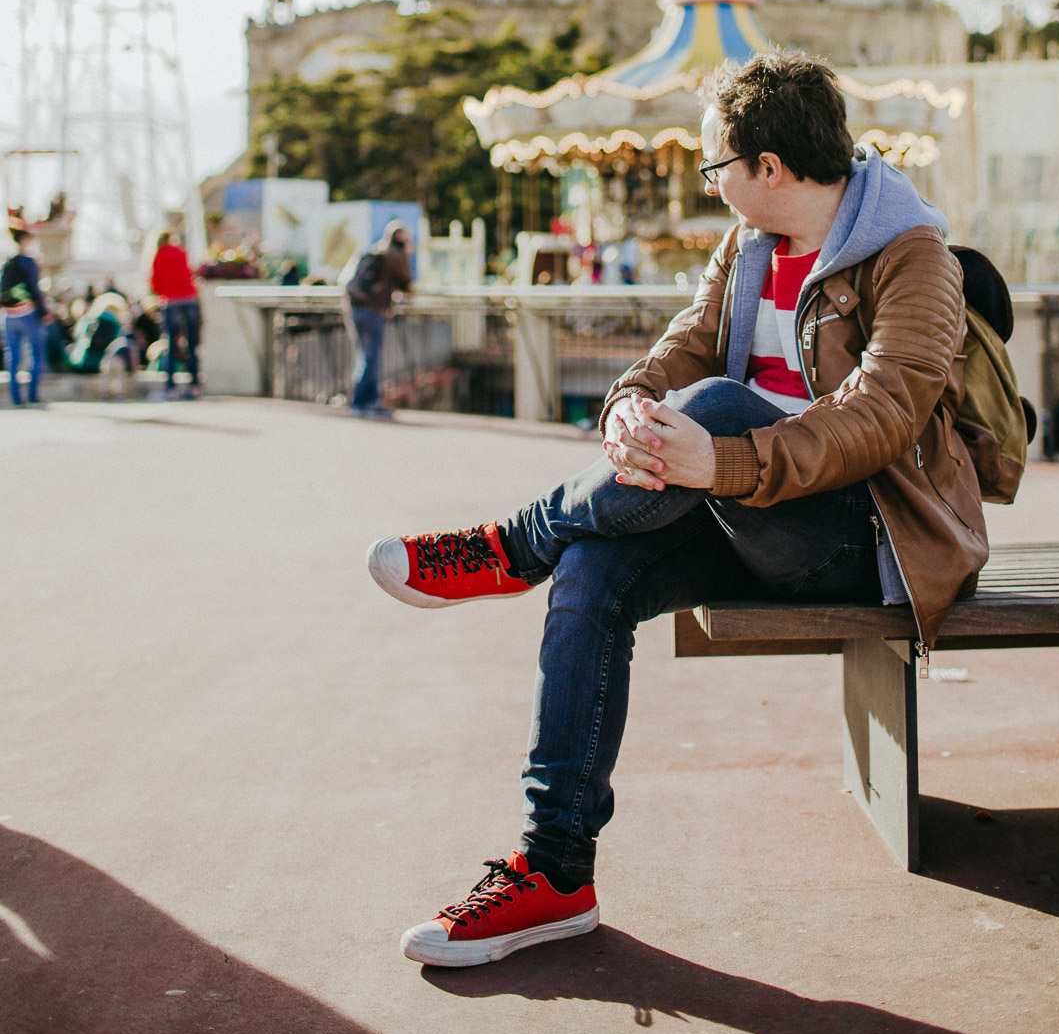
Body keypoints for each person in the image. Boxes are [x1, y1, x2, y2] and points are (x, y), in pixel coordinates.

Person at [367, 51, 989, 968]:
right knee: (593, 569)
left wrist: (721, 452)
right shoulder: (746, 249)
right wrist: (628, 402)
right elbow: (682, 348)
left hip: (861, 535)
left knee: (720, 407)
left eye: (715, 168)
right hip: (742, 509)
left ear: (767, 168)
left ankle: (513, 541)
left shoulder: (912, 258)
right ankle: (554, 872)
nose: (711, 186)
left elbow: (882, 417)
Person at [343, 221, 413, 417]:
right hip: (373, 310)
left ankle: (368, 401)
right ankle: (362, 403)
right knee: (371, 358)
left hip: (355, 309)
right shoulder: (394, 255)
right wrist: (407, 254)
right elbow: (406, 283)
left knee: (365, 357)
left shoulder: (375, 251)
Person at [149, 231, 201, 396]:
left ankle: (170, 387)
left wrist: (165, 292)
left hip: (171, 301)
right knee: (191, 345)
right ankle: (195, 385)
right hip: (190, 299)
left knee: (171, 343)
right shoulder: (181, 252)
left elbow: (155, 283)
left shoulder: (158, 257)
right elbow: (190, 273)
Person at [1, 228, 48, 406]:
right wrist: (43, 312)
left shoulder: (6, 263)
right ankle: (33, 394)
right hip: (28, 313)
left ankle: (15, 398)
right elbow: (35, 289)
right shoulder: (28, 262)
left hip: (8, 315)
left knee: (12, 358)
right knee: (36, 354)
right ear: (26, 240)